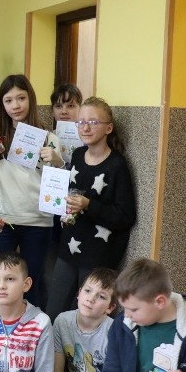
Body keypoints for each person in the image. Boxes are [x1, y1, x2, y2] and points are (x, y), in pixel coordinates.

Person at [46, 97, 136, 321]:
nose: (85, 127)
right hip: (68, 248)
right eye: (81, 122)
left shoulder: (117, 165)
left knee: (89, 317)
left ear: (109, 127)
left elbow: (126, 216)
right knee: (54, 311)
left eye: (94, 122)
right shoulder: (77, 155)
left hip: (97, 255)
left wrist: (89, 205)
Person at [0, 74, 64, 309]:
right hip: (1, 220)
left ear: (31, 99)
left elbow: (56, 192)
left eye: (21, 98)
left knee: (32, 284)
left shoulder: (50, 139)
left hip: (38, 221)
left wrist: (57, 162)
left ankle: (30, 338)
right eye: (8, 100)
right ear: (2, 104)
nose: (15, 105)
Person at [50, 83, 83, 164]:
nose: (64, 112)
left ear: (81, 109)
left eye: (71, 106)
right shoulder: (47, 138)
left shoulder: (88, 138)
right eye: (58, 106)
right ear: (52, 111)